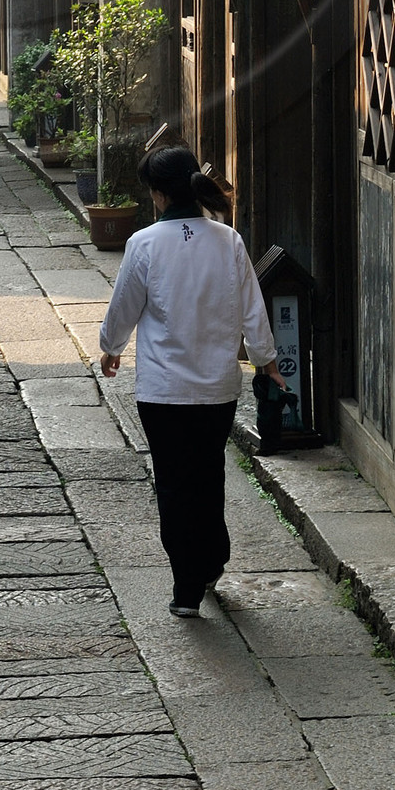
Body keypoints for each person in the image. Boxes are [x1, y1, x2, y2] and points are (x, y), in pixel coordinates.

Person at [98, 141, 282, 619]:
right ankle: (212, 560)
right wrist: (266, 360)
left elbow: (124, 306)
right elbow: (252, 308)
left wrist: (112, 346)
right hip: (216, 387)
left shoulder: (144, 244)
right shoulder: (228, 240)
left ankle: (186, 585)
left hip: (162, 391)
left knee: (173, 482)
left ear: (158, 194)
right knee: (208, 474)